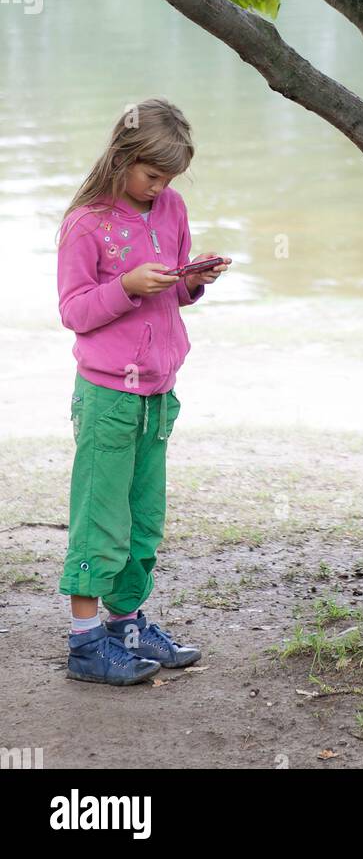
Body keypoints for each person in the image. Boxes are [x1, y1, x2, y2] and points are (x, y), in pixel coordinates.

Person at [56, 99, 232, 684]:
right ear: (123, 159)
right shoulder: (87, 222)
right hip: (108, 396)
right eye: (152, 176)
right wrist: (126, 286)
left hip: (159, 392)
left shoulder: (171, 208)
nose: (160, 189)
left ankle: (126, 626)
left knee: (142, 517)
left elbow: (171, 292)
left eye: (169, 179)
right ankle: (85, 644)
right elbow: (75, 311)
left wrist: (193, 282)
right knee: (99, 518)